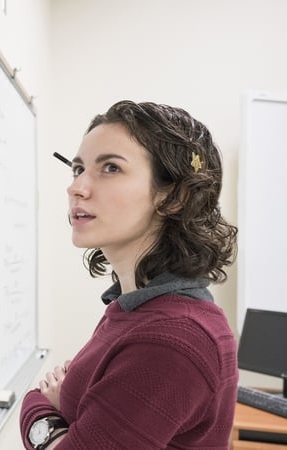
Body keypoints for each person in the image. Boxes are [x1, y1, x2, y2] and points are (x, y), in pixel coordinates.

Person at [20, 100, 239, 449]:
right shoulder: (133, 308)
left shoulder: (173, 338)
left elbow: (50, 407)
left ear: (175, 197)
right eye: (78, 168)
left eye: (110, 168)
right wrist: (56, 419)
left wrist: (38, 405)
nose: (76, 187)